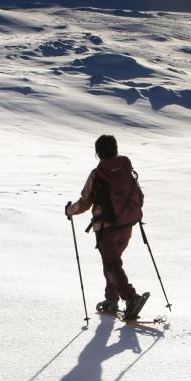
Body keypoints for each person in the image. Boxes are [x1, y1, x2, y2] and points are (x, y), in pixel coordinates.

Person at [65, 134, 149, 320]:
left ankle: (130, 297)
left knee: (111, 264)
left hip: (106, 228)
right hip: (127, 225)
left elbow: (84, 202)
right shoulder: (125, 169)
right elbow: (139, 196)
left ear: (98, 152)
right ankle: (111, 299)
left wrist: (70, 210)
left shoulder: (98, 173)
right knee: (112, 263)